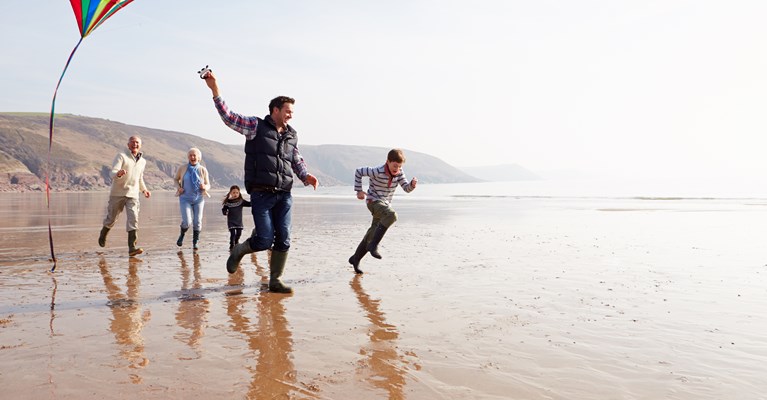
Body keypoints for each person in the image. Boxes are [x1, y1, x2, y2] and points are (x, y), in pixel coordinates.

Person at [202, 70, 318, 293]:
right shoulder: (255, 126)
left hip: (284, 194)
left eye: (292, 112)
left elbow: (295, 158)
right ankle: (238, 251)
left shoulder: (292, 134)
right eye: (287, 111)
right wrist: (215, 90)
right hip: (261, 194)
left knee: (284, 238)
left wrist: (305, 176)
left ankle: (275, 280)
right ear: (275, 110)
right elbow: (229, 117)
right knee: (265, 240)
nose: (290, 115)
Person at [348, 149, 417, 274]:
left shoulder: (399, 173)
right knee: (392, 215)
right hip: (373, 202)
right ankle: (373, 245)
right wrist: (358, 191)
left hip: (384, 205)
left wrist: (412, 185)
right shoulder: (377, 171)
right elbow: (358, 172)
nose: (397, 169)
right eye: (395, 166)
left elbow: (406, 188)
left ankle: (356, 258)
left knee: (373, 232)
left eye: (400, 166)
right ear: (388, 162)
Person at [97, 135, 152, 256]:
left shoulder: (143, 161)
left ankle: (132, 248)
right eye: (132, 142)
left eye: (137, 143)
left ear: (140, 145)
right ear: (128, 145)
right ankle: (104, 232)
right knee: (111, 218)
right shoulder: (121, 156)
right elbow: (112, 172)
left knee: (134, 218)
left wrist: (144, 190)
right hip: (118, 193)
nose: (135, 144)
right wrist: (119, 173)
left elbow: (139, 178)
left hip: (133, 194)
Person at [174, 147, 211, 250]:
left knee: (197, 221)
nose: (192, 157)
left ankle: (195, 241)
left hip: (199, 199)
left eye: (194, 155)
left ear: (198, 157)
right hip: (185, 198)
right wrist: (179, 188)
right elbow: (176, 179)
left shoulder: (202, 170)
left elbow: (208, 184)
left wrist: (205, 187)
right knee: (187, 221)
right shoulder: (182, 168)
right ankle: (182, 234)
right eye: (190, 155)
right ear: (188, 157)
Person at [222, 185, 251, 251]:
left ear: (239, 193)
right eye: (234, 192)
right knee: (232, 234)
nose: (235, 194)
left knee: (239, 233)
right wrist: (225, 212)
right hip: (231, 221)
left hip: (239, 221)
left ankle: (236, 241)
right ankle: (232, 245)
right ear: (230, 193)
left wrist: (255, 199)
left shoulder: (241, 201)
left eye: (237, 192)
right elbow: (224, 209)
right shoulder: (227, 202)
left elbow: (249, 204)